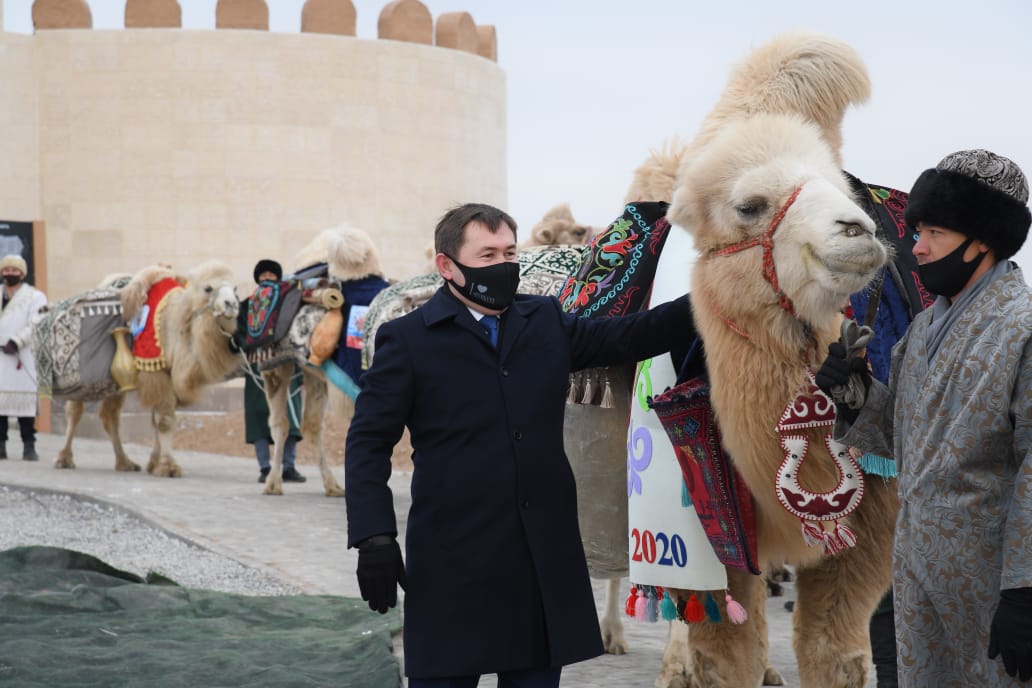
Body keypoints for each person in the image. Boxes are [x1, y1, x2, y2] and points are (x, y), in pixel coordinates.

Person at [344, 202, 696, 687]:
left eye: (509, 252)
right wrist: (374, 537)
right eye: (486, 255)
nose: (504, 264)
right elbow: (367, 443)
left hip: (539, 559)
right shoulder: (407, 341)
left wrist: (711, 296)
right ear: (448, 265)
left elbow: (631, 335)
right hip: (454, 560)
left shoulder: (545, 320)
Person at [817, 149, 1032, 685]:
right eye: (916, 231)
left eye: (933, 231)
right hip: (916, 570)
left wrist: (1025, 588)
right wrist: (855, 393)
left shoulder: (1022, 328)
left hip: (990, 581)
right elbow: (907, 437)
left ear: (983, 238)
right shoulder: (923, 331)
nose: (917, 248)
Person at [242, 259, 306, 484]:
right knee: (261, 420)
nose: (267, 277)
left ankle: (288, 466)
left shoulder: (288, 301)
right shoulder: (246, 304)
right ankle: (265, 467)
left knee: (290, 417)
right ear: (257, 278)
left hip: (288, 366)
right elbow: (239, 334)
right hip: (258, 370)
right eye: (264, 274)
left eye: (272, 274)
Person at [0, 254, 47, 462]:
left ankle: (29, 446)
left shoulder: (34, 296)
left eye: (14, 270)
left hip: (21, 355)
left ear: (22, 273)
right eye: (6, 270)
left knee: (24, 405)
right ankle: (0, 446)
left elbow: (37, 322)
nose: (10, 273)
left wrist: (17, 341)